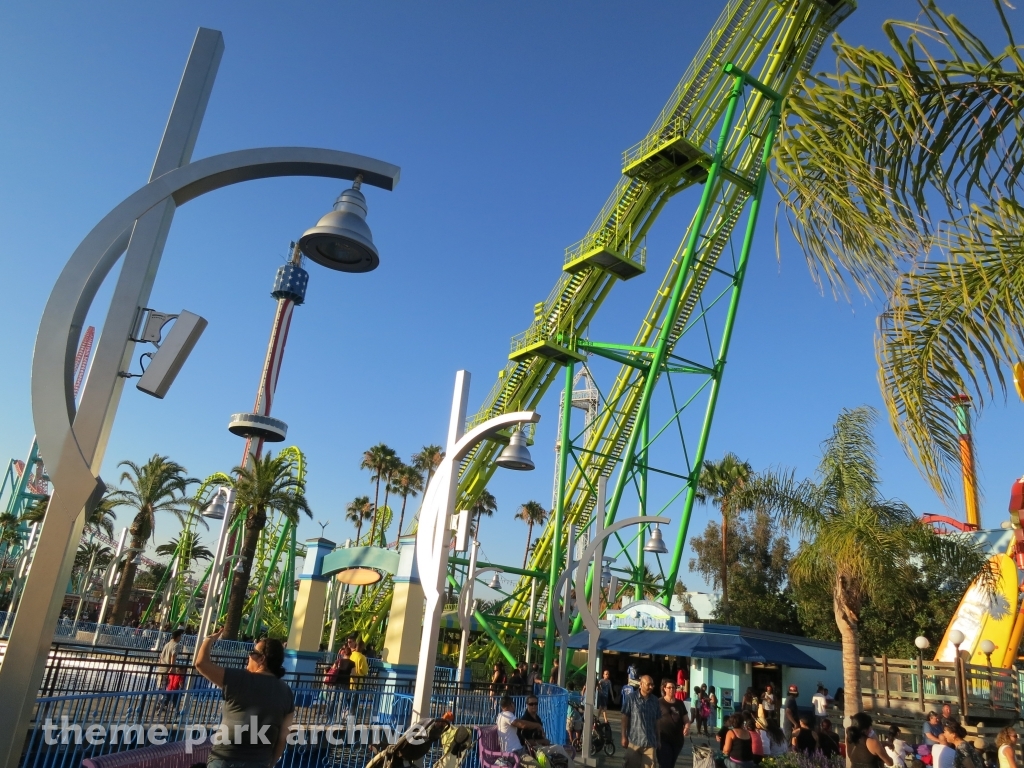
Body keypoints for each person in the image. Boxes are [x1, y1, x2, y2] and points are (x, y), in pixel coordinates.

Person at [195, 629, 293, 768]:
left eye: (252, 652)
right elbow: (283, 736)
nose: (249, 656)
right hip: (259, 761)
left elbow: (201, 664)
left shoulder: (239, 679)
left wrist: (209, 639)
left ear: (262, 659)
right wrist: (271, 763)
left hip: (225, 759)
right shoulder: (286, 692)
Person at [621, 675, 661, 768]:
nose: (651, 687)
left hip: (650, 743)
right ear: (641, 684)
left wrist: (659, 739)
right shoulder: (631, 698)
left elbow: (657, 720)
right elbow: (624, 718)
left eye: (652, 685)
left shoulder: (655, 700)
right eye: (649, 684)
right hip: (634, 741)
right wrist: (623, 736)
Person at [657, 679, 689, 768]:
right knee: (664, 764)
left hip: (677, 740)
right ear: (664, 689)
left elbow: (686, 720)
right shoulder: (659, 702)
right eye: (669, 687)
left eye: (673, 687)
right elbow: (653, 719)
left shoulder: (680, 703)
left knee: (671, 764)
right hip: (663, 739)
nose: (671, 689)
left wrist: (687, 727)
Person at [157, 628, 185, 713]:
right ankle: (163, 703)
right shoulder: (176, 645)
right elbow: (173, 656)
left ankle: (162, 703)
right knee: (169, 688)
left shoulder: (167, 644)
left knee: (162, 687)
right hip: (168, 669)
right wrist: (172, 667)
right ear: (177, 637)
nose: (181, 638)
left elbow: (161, 656)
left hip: (161, 668)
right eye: (180, 636)